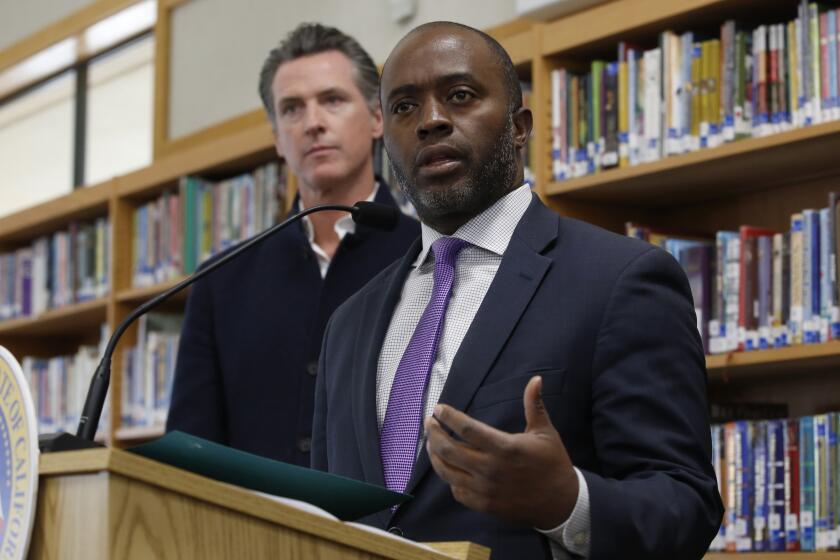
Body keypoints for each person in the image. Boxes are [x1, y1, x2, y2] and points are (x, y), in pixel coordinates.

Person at [311, 21, 723, 559]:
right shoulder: (349, 321)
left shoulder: (622, 279)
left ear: (519, 126)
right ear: (384, 138)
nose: (431, 121)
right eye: (404, 107)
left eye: (459, 96)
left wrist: (565, 502)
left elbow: (685, 507)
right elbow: (322, 513)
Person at [166, 23, 419, 465]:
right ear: (277, 140)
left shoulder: (431, 255)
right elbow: (192, 451)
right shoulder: (221, 280)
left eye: (333, 100)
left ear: (377, 118)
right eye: (292, 109)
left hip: (385, 532)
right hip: (248, 532)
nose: (313, 123)